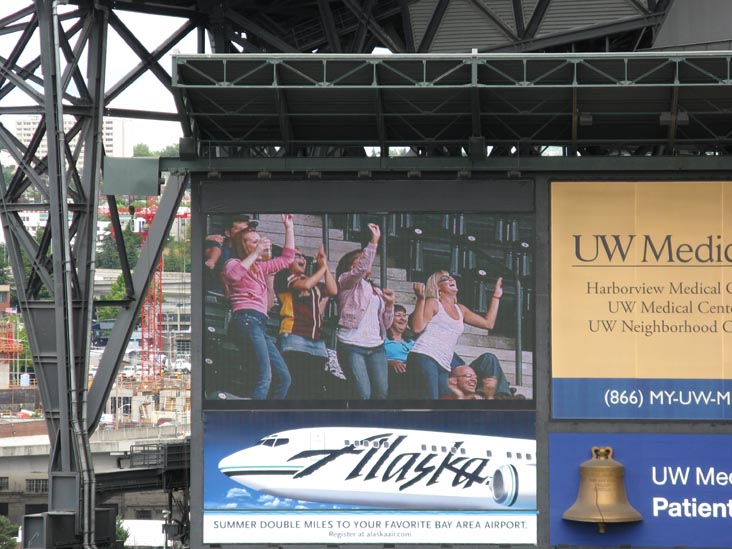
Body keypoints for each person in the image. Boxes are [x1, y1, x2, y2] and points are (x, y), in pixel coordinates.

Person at [222, 214, 296, 399]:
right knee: (264, 376)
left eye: (259, 241)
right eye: (253, 242)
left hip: (259, 323)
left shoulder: (259, 268)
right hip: (246, 319)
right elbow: (233, 277)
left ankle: (270, 414)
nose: (259, 244)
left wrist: (289, 228)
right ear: (243, 246)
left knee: (284, 378)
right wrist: (257, 253)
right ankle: (255, 414)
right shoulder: (233, 262)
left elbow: (287, 259)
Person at [408, 271, 503, 399]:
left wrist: (496, 297)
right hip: (425, 355)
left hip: (444, 364)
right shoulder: (433, 303)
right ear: (438, 287)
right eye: (445, 278)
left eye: (451, 276)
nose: (451, 279)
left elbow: (488, 324)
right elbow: (417, 327)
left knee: (446, 402)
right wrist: (421, 299)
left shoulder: (460, 309)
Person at [335, 223, 395, 399]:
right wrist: (374, 241)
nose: (366, 263)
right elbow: (360, 269)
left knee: (381, 393)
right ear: (350, 266)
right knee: (363, 393)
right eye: (360, 260)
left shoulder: (375, 290)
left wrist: (390, 305)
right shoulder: (345, 281)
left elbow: (386, 324)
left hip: (376, 346)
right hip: (352, 345)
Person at [276, 244, 337, 399]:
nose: (302, 259)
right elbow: (306, 285)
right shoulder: (284, 276)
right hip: (294, 334)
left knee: (315, 385)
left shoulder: (312, 282)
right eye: (297, 256)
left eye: (303, 256)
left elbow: (333, 290)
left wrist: (325, 266)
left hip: (316, 339)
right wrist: (321, 268)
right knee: (296, 382)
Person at [385, 304, 414, 399]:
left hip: (412, 371)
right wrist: (391, 362)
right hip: (392, 372)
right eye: (398, 315)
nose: (403, 318)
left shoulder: (411, 341)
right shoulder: (383, 339)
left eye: (404, 315)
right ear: (389, 318)